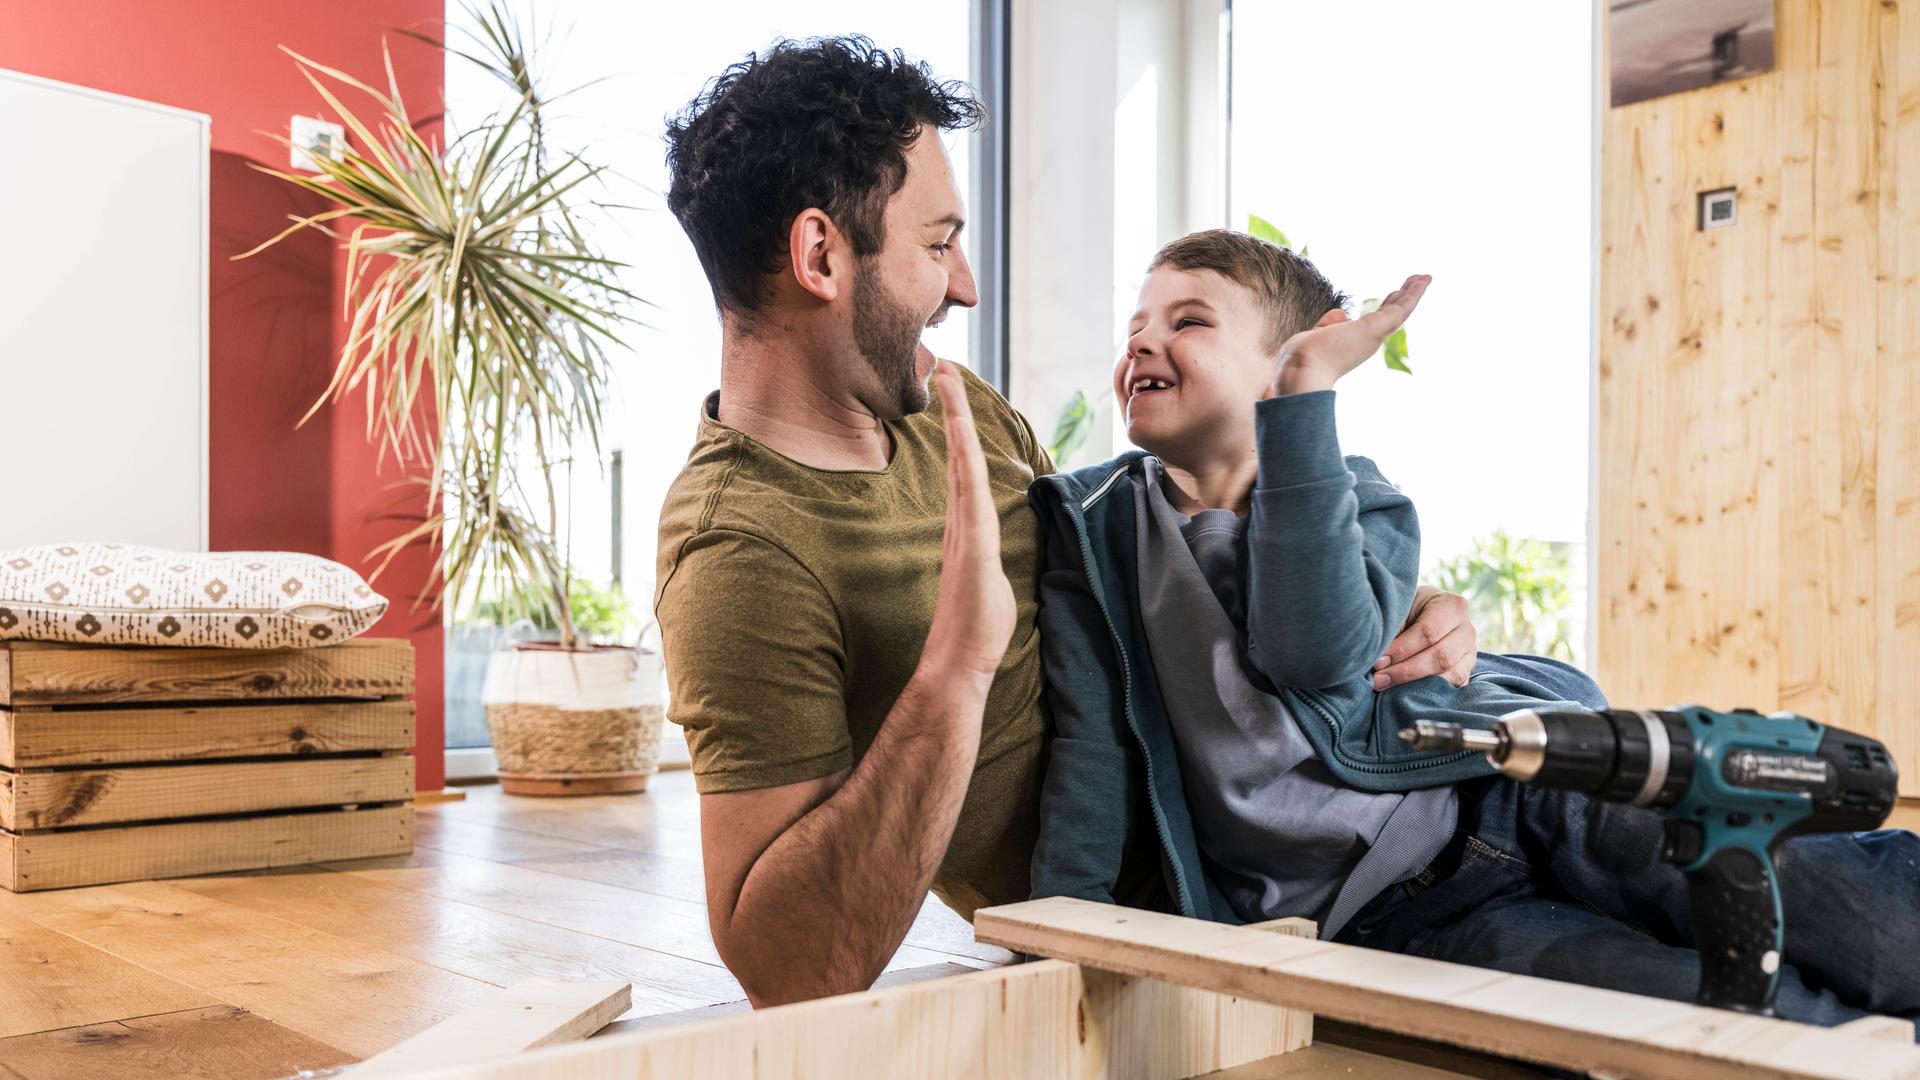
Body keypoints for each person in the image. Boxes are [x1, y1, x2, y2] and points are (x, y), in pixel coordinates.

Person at [652, 38, 1479, 1007]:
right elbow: (788, 973)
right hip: (1215, 929)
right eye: (936, 243)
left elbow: (1146, 551)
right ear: (821, 256)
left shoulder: (953, 408)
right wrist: (954, 673)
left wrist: (1401, 598)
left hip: (1356, 810)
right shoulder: (739, 556)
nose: (964, 285)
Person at [1028, 228, 1920, 1031]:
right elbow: (1092, 745)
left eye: (1188, 321)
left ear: (1289, 361)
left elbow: (1309, 653)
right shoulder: (1094, 525)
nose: (1142, 340)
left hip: (1519, 787)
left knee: (1873, 926)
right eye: (1137, 324)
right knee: (1737, 1024)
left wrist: (1303, 404)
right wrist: (1051, 935)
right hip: (1404, 921)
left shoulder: (1360, 495)